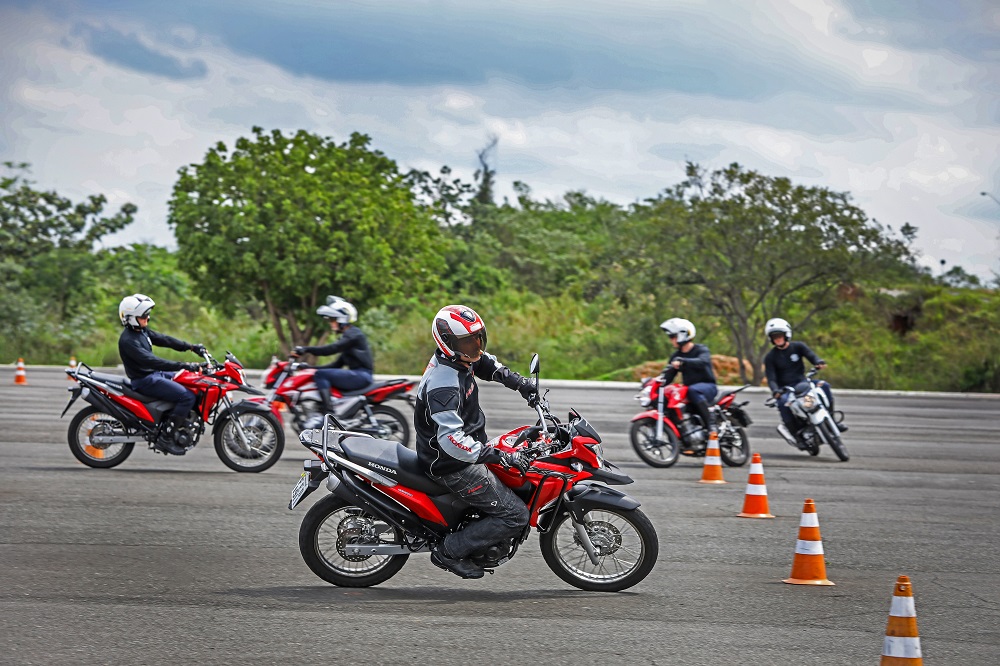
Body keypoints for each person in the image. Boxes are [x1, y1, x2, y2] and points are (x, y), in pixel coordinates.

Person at [414, 305, 536, 579]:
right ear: (447, 342)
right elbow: (451, 441)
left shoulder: (462, 359)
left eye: (479, 337)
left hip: (468, 448)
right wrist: (496, 455)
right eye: (468, 340)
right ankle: (450, 551)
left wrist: (520, 384)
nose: (476, 345)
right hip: (451, 464)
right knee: (515, 516)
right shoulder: (443, 384)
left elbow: (488, 364)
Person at [117, 293, 206, 456]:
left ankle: (177, 422)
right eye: (143, 315)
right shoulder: (128, 341)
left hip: (154, 375)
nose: (147, 318)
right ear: (131, 318)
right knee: (187, 396)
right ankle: (166, 438)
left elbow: (164, 340)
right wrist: (186, 365)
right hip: (144, 380)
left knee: (191, 383)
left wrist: (191, 347)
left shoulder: (141, 332)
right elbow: (153, 361)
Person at [291, 296, 374, 429]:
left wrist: (306, 350)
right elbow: (335, 366)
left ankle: (329, 413)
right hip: (358, 374)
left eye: (333, 319)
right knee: (319, 374)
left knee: (320, 375)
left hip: (362, 375)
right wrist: (310, 369)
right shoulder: (349, 337)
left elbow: (331, 349)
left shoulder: (353, 334)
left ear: (342, 319)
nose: (331, 323)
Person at [763, 317, 847, 441]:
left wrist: (818, 362)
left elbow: (811, 355)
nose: (778, 339)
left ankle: (831, 420)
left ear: (787, 334)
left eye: (780, 335)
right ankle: (797, 436)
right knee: (783, 404)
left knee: (824, 386)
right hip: (786, 390)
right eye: (774, 337)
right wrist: (776, 391)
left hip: (803, 383)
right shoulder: (770, 357)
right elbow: (771, 378)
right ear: (771, 339)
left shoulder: (798, 347)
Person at [659, 317, 718, 437]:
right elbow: (669, 375)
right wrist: (656, 383)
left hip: (707, 387)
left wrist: (683, 362)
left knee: (692, 390)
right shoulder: (676, 355)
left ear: (683, 335)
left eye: (673, 337)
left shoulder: (701, 349)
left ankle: (712, 424)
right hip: (690, 390)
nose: (671, 340)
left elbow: (703, 361)